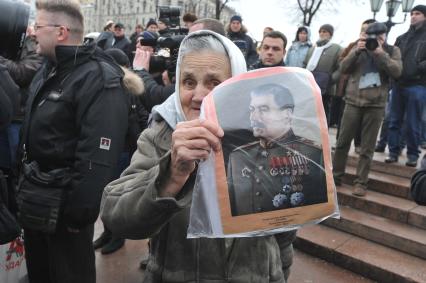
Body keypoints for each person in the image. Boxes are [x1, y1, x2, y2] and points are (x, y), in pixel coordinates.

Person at [101, 30, 295, 282]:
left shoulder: (266, 139)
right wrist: (171, 174)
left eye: (215, 83)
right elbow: (116, 215)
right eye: (188, 82)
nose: (199, 96)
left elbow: (284, 232)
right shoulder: (160, 137)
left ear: (236, 86)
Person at [19, 1, 128, 282]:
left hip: (66, 215)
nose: (32, 32)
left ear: (61, 32)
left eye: (39, 26)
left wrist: (77, 218)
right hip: (38, 202)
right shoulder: (51, 68)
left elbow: (97, 156)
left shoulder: (98, 78)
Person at [227, 83, 328, 216]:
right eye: (252, 110)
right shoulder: (237, 157)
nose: (254, 117)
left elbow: (318, 212)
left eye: (263, 109)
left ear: (287, 114)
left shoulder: (313, 154)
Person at [333, 22, 402, 197]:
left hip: (376, 105)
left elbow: (397, 71)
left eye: (380, 36)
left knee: (367, 148)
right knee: (342, 143)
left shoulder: (392, 50)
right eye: (373, 37)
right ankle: (335, 177)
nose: (376, 40)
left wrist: (380, 53)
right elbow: (343, 68)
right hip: (353, 101)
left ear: (385, 36)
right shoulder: (358, 47)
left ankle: (361, 183)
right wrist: (357, 50)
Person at [93, 48, 148, 255]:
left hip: (126, 150)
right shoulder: (106, 86)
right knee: (105, 194)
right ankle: (108, 232)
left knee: (119, 195)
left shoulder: (131, 88)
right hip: (108, 149)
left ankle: (118, 236)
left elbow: (142, 116)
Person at [385, 5, 426, 167]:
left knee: (413, 122)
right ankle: (393, 152)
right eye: (412, 14)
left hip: (418, 85)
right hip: (398, 84)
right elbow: (393, 59)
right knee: (393, 120)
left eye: (418, 14)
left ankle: (412, 154)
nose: (413, 16)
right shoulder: (402, 37)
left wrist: (417, 67)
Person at [304, 24, 342, 125]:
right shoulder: (313, 49)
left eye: (325, 31)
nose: (322, 34)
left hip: (326, 89)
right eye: (320, 31)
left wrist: (330, 80)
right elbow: (305, 64)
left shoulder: (336, 48)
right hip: (310, 86)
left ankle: (323, 136)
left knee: (323, 113)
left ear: (330, 34)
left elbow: (341, 68)